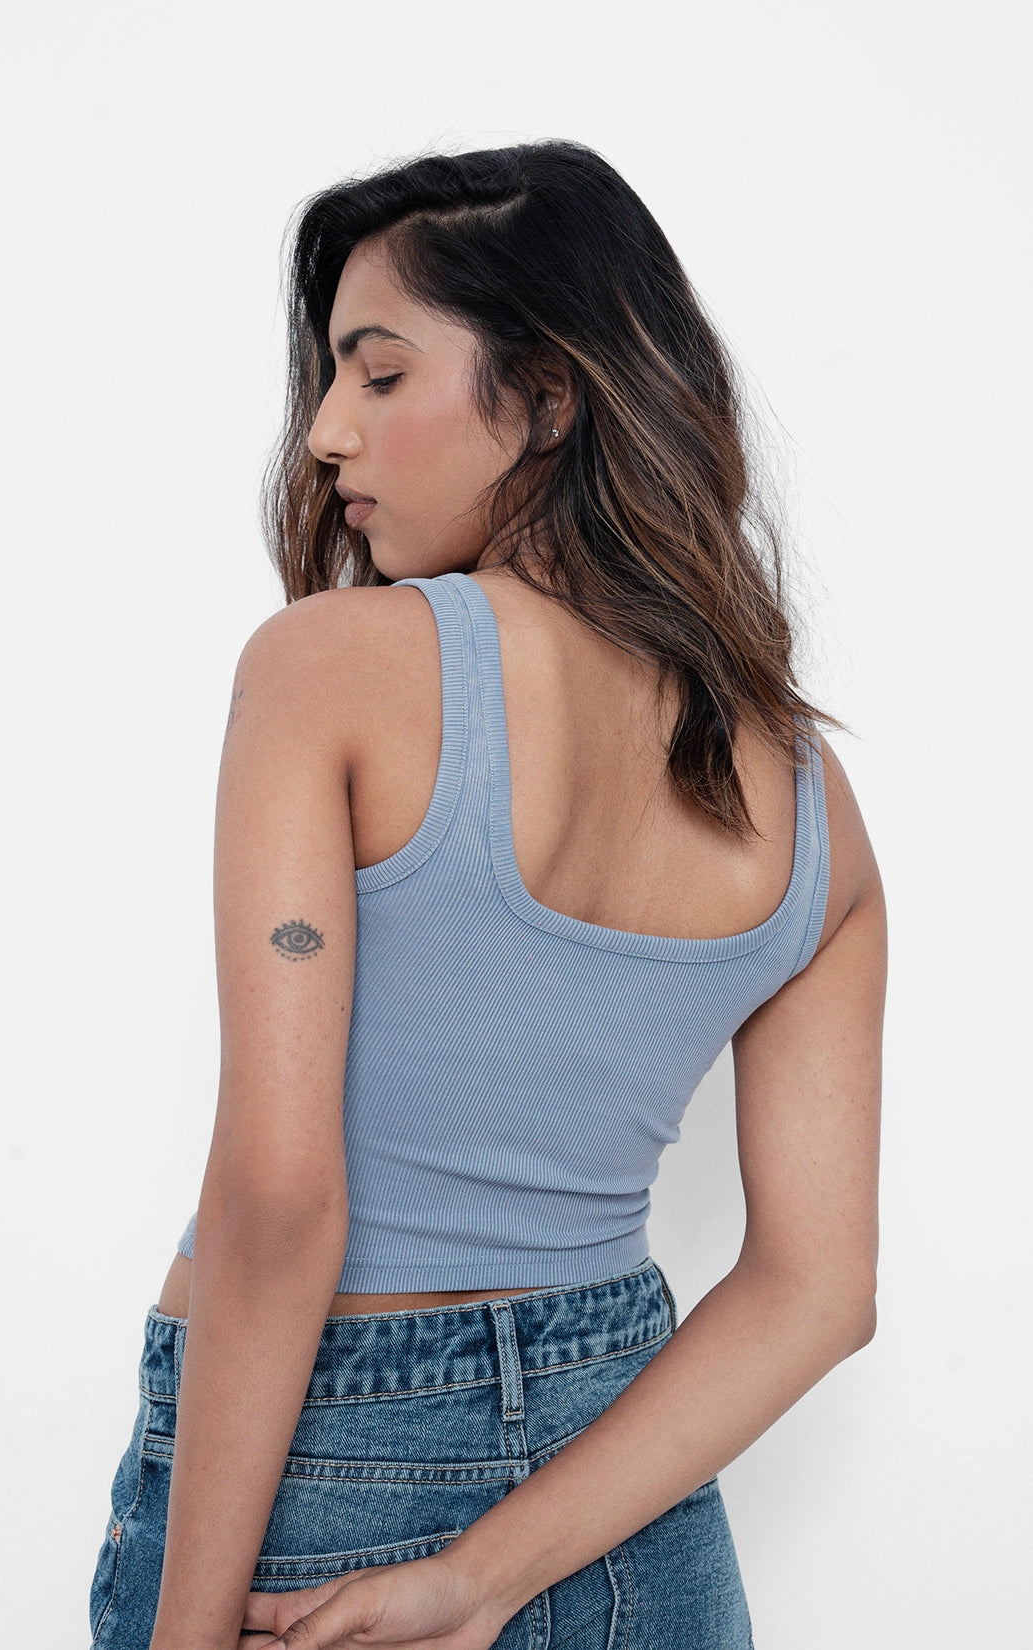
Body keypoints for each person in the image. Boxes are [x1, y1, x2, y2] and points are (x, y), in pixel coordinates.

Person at [87, 139, 885, 1650]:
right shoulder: (806, 794)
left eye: (379, 374)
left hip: (319, 1471)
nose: (326, 433)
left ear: (550, 394)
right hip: (634, 1501)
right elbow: (819, 1284)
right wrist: (488, 1574)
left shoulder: (332, 666)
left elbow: (279, 1200)